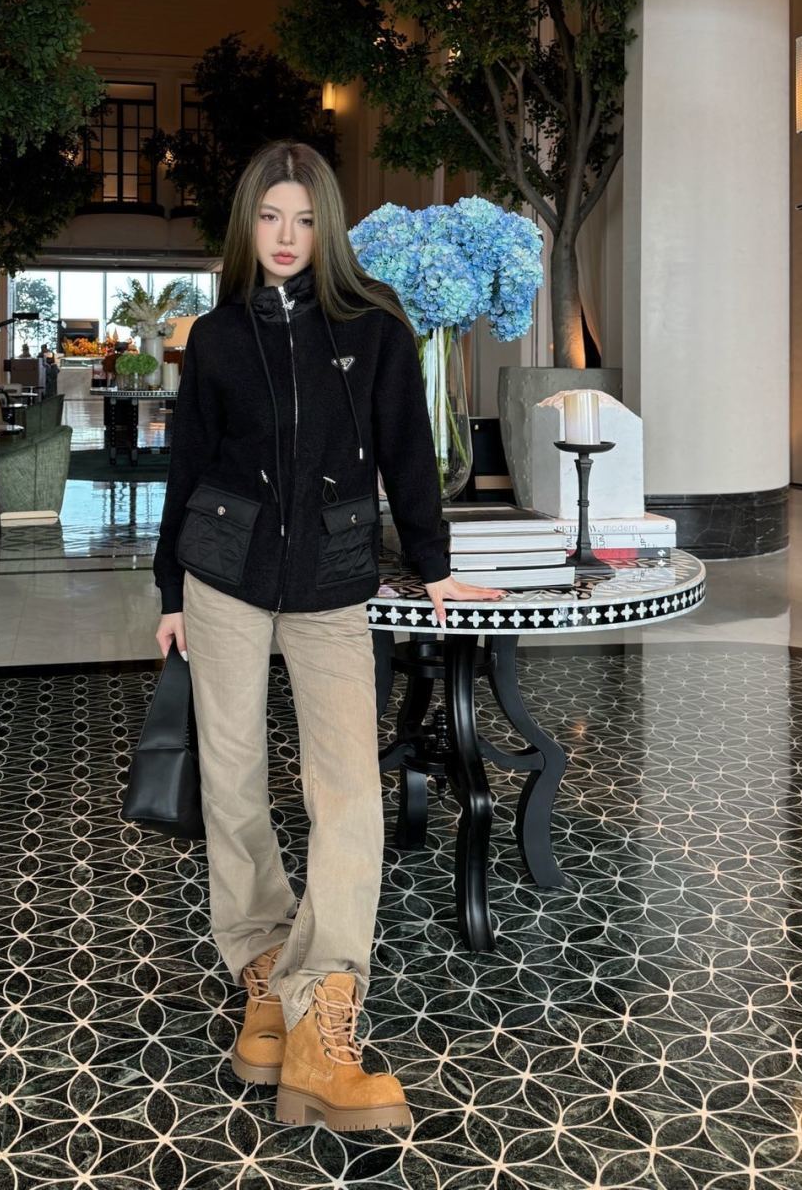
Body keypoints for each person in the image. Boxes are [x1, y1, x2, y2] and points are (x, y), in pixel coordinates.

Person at [152, 140, 506, 1134]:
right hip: (221, 574)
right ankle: (264, 968)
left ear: (329, 228)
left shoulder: (375, 326)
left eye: (305, 220)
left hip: (333, 582)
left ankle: (323, 1007)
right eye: (271, 217)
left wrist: (434, 563)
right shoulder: (215, 336)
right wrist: (169, 587)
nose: (286, 236)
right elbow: (187, 463)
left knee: (346, 787)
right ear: (248, 223)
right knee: (230, 776)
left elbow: (406, 454)